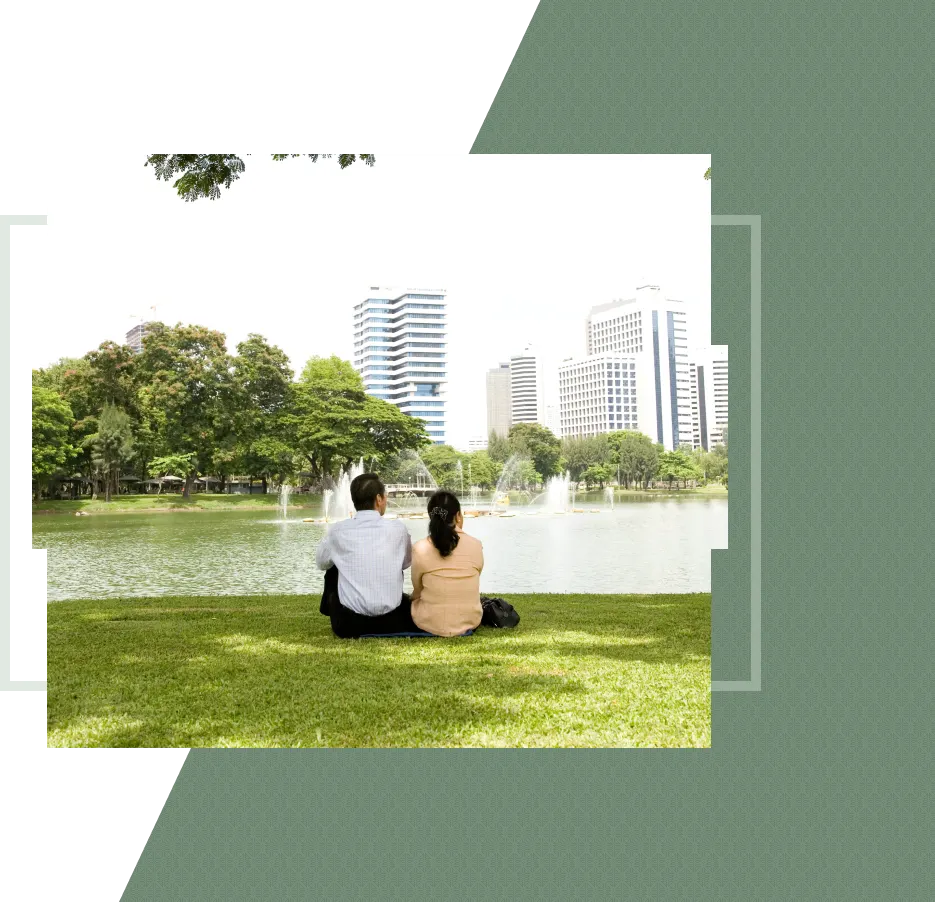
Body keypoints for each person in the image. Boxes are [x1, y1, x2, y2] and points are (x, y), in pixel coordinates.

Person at [316, 473, 420, 639]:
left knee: (333, 566)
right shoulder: (398, 529)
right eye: (385, 496)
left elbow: (321, 563)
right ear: (378, 499)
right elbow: (406, 563)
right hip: (393, 621)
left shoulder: (338, 531)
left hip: (349, 625)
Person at [410, 490, 484, 637]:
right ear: (458, 516)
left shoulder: (420, 547)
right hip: (470, 620)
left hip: (429, 622)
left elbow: (417, 589)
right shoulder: (476, 545)